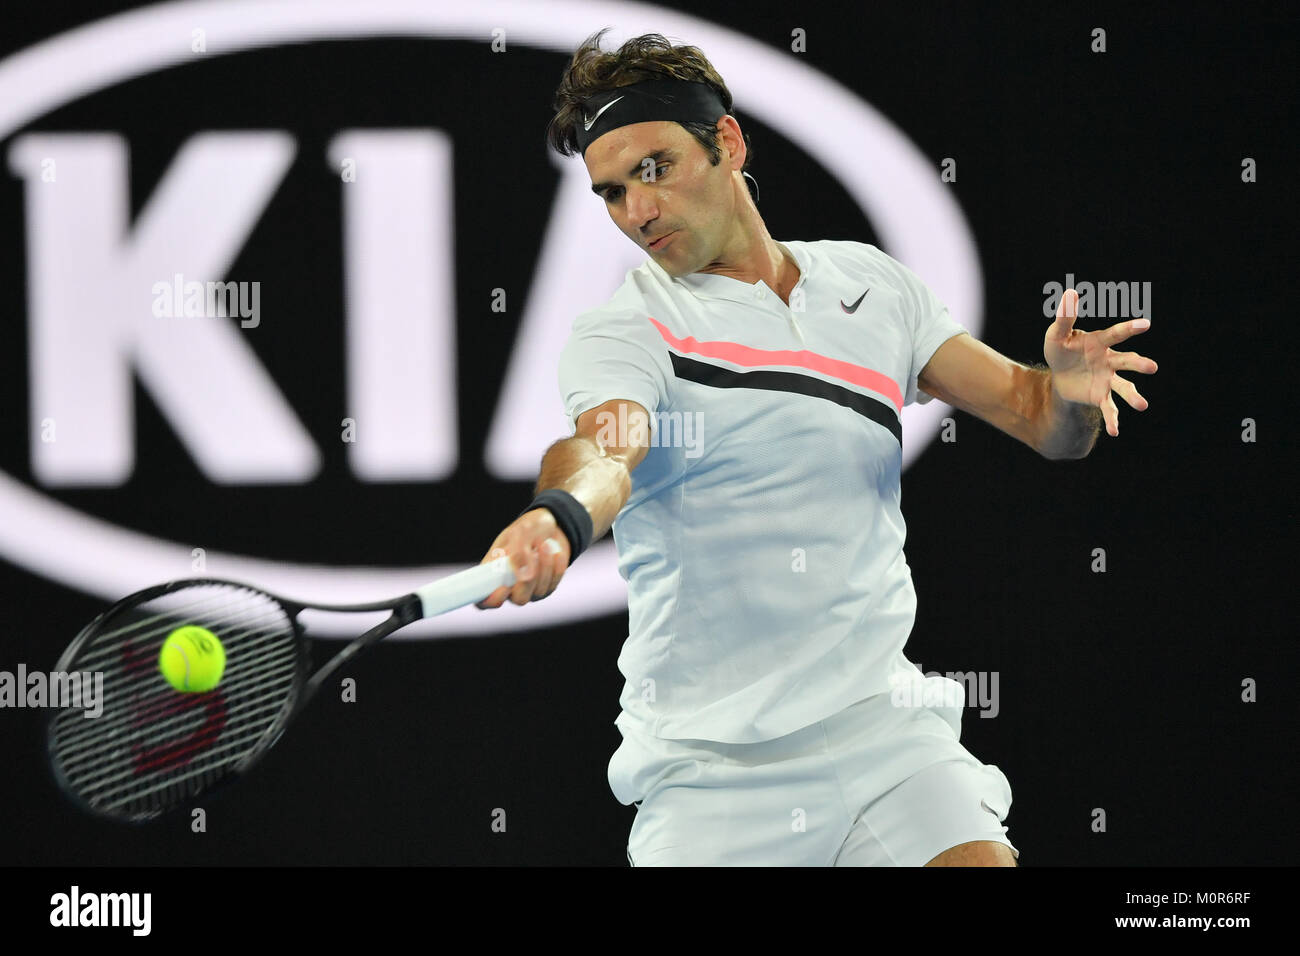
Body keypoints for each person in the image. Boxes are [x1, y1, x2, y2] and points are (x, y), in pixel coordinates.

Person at [475, 30, 1157, 866]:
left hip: (885, 735)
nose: (637, 211)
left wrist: (1072, 396)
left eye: (653, 168)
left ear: (726, 141)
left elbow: (1041, 421)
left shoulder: (872, 286)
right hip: (710, 773)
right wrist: (560, 516)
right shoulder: (626, 329)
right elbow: (606, 446)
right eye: (612, 193)